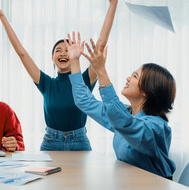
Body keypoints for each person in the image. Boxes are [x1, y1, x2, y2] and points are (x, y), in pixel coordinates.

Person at [0, 0, 121, 151]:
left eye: (67, 49)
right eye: (58, 50)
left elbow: (100, 45)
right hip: (51, 142)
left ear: (74, 54)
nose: (63, 53)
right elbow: (22, 53)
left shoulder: (84, 80)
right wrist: (2, 17)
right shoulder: (47, 84)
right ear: (52, 58)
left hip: (79, 142)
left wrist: (112, 4)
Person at [66, 32, 176, 179]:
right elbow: (84, 101)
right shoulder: (126, 113)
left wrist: (101, 71)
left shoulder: (156, 127)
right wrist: (74, 61)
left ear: (148, 90)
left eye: (135, 76)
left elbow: (124, 123)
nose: (128, 78)